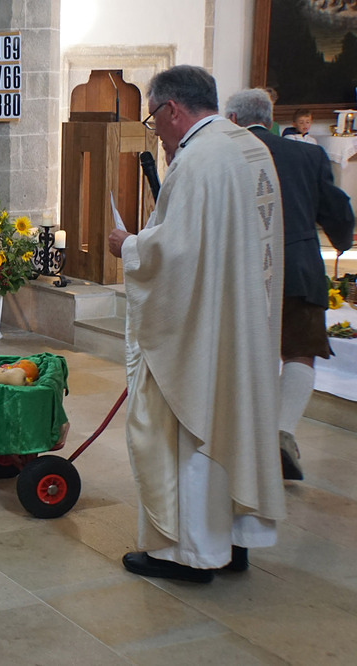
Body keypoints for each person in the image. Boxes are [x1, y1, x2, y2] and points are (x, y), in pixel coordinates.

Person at [107, 65, 286, 582]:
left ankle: (189, 554)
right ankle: (234, 541)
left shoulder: (198, 160)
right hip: (243, 325)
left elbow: (176, 252)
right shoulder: (247, 147)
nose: (156, 132)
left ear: (171, 110)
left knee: (188, 426)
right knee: (236, 420)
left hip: (201, 331)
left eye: (153, 119)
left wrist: (130, 246)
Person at [226, 89, 355, 480]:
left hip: (242, 271)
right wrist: (342, 241)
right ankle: (281, 433)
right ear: (269, 120)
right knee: (300, 352)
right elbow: (337, 211)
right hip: (298, 268)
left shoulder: (226, 155)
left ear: (232, 120)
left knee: (243, 354)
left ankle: (242, 441)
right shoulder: (308, 155)